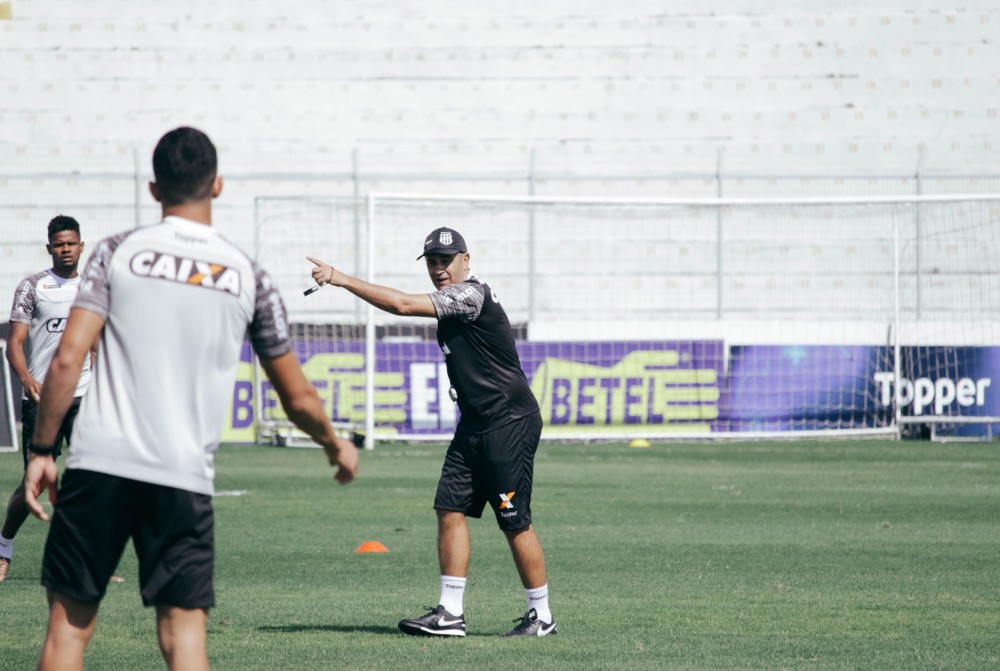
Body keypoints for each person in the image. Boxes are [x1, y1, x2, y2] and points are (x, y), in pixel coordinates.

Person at [23, 126, 359, 671]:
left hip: (98, 463)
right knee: (183, 641)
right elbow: (296, 395)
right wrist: (333, 443)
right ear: (217, 185)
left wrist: (41, 451)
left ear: (154, 189)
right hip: (181, 475)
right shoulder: (248, 274)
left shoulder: (114, 252)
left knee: (67, 633)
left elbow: (66, 360)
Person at [307, 227, 556, 638]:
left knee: (513, 520)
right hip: (475, 422)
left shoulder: (471, 295)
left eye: (447, 260)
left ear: (466, 260)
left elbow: (403, 305)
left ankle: (541, 615)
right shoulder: (453, 298)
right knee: (450, 508)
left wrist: (341, 278)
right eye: (433, 262)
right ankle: (450, 613)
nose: (440, 269)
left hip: (508, 421)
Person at [0, 216, 94, 583]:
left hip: (84, 395)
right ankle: (4, 546)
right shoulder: (33, 287)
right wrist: (26, 379)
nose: (65, 249)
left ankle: (86, 559)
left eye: (71, 243)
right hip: (44, 400)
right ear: (49, 248)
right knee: (33, 484)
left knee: (92, 479)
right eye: (59, 244)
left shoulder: (93, 287)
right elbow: (16, 344)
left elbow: (98, 341)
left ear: (81, 246)